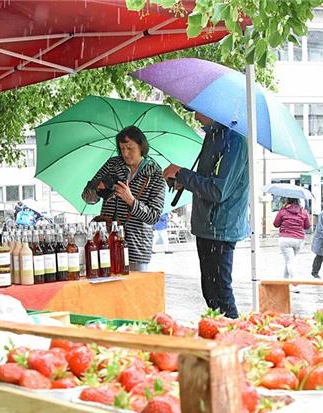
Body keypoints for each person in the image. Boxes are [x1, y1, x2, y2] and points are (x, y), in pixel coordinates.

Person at [162, 111, 248, 319]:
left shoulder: (234, 140)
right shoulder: (213, 135)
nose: (194, 116)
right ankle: (219, 338)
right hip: (207, 226)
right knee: (211, 293)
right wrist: (187, 180)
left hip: (221, 227)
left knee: (221, 294)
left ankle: (233, 341)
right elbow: (208, 180)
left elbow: (218, 191)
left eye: (196, 110)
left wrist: (182, 173)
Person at [82, 126, 165, 271]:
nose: (125, 153)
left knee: (134, 291)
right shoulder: (112, 165)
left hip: (136, 246)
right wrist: (97, 188)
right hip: (106, 241)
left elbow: (154, 217)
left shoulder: (155, 175)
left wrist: (131, 200)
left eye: (129, 148)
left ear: (141, 147)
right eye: (122, 148)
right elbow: (87, 197)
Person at [274, 198, 311, 279]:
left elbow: (276, 224)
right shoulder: (303, 211)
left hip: (285, 239)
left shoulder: (283, 211)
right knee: (290, 261)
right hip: (299, 240)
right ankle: (285, 281)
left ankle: (295, 283)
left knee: (290, 261)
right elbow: (307, 226)